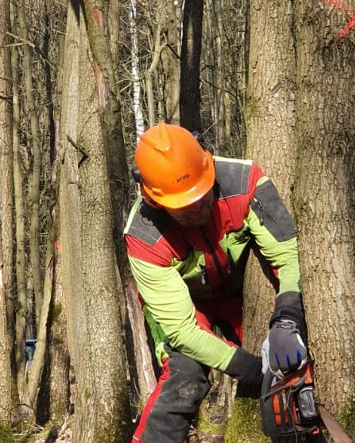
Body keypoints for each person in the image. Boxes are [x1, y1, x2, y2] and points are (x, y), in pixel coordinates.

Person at [124, 123, 309, 443]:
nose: (197, 207)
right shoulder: (143, 237)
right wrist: (243, 367)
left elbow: (288, 255)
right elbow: (182, 331)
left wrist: (288, 316)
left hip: (239, 291)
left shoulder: (245, 182)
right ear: (154, 199)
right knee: (185, 373)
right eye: (184, 205)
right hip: (187, 308)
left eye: (201, 193)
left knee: (294, 360)